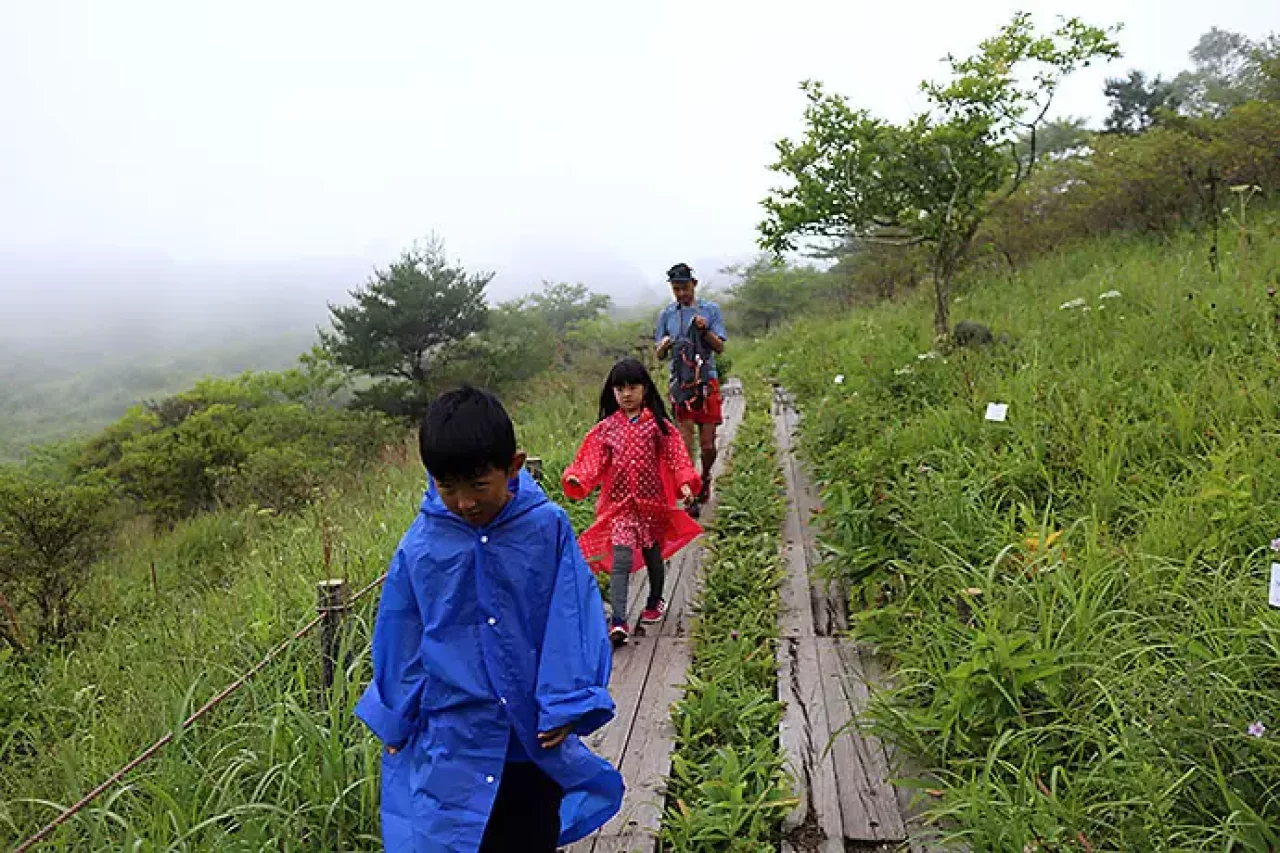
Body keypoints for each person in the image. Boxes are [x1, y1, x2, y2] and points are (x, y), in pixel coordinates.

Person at [355, 385, 623, 853]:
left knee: (528, 835)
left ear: (513, 465)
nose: (464, 502)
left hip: (528, 740)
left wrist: (565, 701)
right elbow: (402, 632)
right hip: (452, 739)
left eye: (478, 485)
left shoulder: (546, 529)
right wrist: (396, 716)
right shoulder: (421, 545)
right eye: (448, 487)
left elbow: (571, 616)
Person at [563, 358, 703, 647]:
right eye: (620, 388)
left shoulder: (659, 426)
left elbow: (677, 457)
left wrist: (685, 483)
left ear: (645, 388)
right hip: (621, 506)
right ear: (612, 392)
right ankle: (619, 619)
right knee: (621, 559)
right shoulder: (606, 429)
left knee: (653, 554)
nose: (626, 394)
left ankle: (655, 597)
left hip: (652, 504)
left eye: (632, 387)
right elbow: (592, 459)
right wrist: (579, 478)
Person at [654, 262, 727, 515]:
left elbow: (719, 347)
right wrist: (663, 345)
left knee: (707, 445)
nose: (681, 294)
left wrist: (704, 330)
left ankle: (705, 477)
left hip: (706, 380)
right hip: (680, 384)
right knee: (685, 444)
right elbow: (659, 354)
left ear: (694, 284)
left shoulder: (710, 310)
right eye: (676, 289)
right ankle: (690, 493)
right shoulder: (667, 314)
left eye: (685, 288)